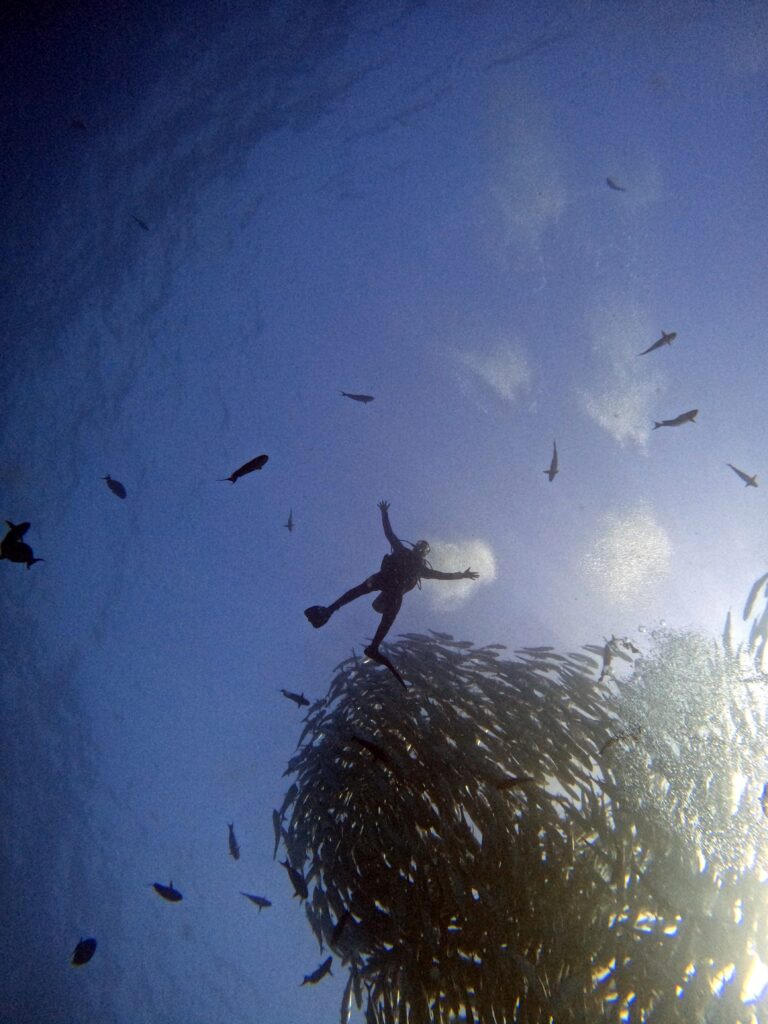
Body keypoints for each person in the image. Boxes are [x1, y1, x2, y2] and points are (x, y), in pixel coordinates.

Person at [304, 501, 479, 660]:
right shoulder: (403, 552)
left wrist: (461, 575)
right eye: (420, 544)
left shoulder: (419, 567)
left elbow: (442, 575)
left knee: (388, 614)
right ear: (416, 546)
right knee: (360, 591)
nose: (421, 547)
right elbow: (389, 533)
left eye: (424, 547)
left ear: (425, 553)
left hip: (393, 590)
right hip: (385, 580)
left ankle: (373, 646)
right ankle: (330, 610)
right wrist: (384, 512)